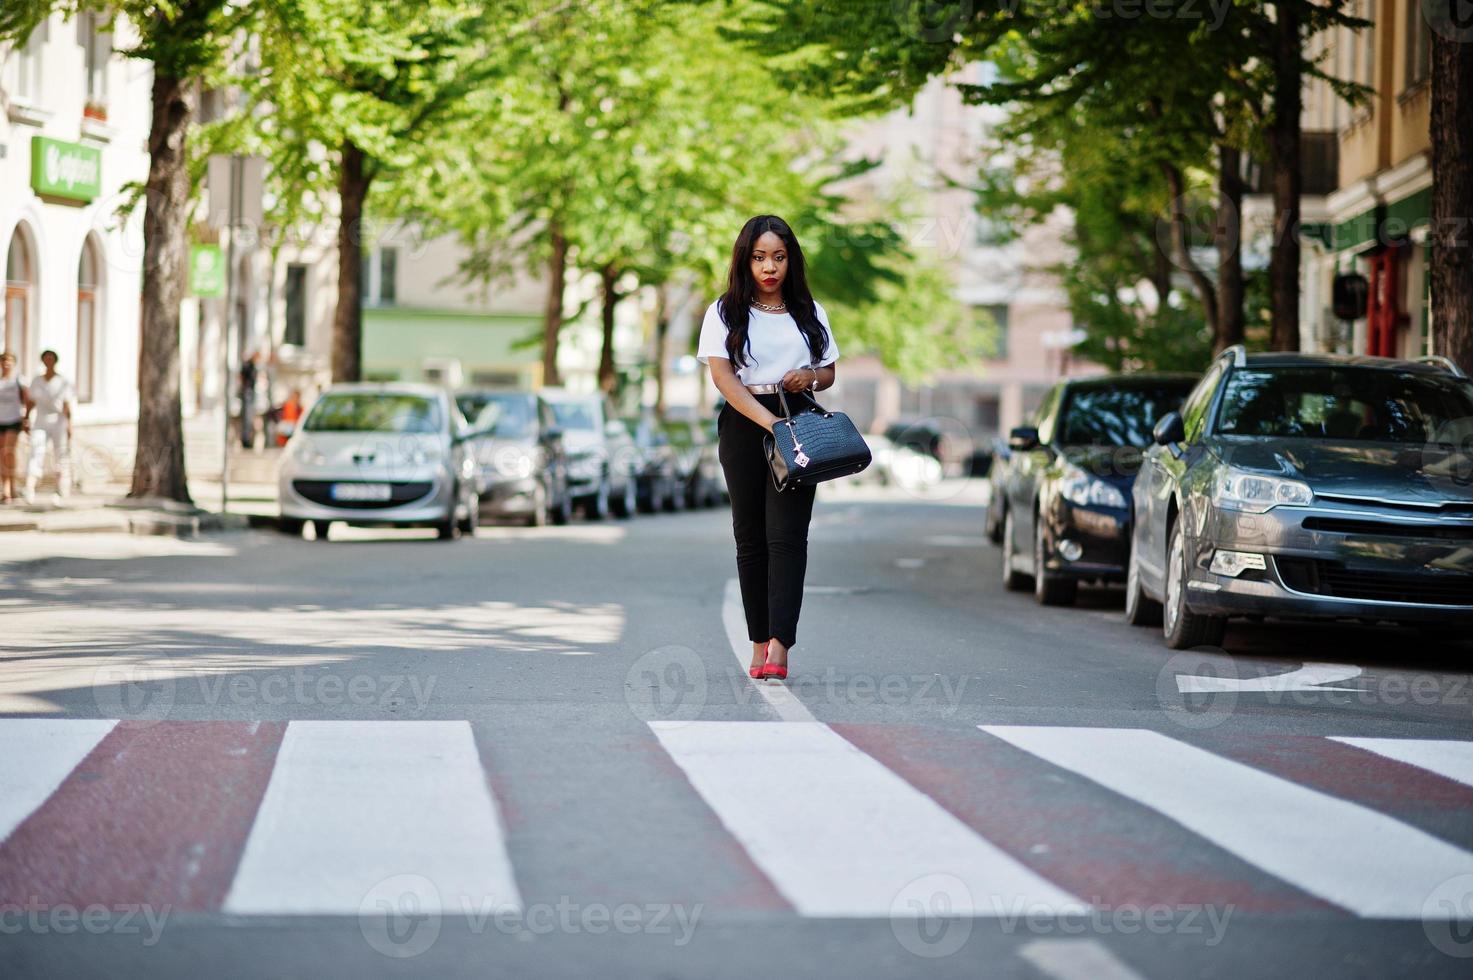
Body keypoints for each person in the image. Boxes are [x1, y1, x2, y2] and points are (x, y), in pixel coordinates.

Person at [696, 214, 839, 683]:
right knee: (750, 538)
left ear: (790, 261)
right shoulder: (724, 313)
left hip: (799, 421)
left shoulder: (810, 312)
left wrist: (810, 378)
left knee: (788, 537)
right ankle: (757, 639)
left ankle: (781, 644)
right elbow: (723, 379)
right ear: (745, 261)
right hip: (744, 423)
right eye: (759, 257)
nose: (769, 267)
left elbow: (829, 372)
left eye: (778, 257)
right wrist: (770, 424)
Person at [24, 349, 74, 504]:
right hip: (40, 420)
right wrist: (26, 418)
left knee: (60, 453)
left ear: (55, 361)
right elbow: (31, 402)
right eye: (46, 358)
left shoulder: (62, 381)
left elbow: (66, 405)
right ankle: (29, 487)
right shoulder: (37, 381)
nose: (48, 361)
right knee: (36, 449)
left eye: (51, 358)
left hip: (58, 421)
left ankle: (61, 489)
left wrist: (69, 425)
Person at [0, 351, 27, 503]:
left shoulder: (19, 380)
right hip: (0, 420)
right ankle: (5, 488)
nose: (6, 364)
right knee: (1, 454)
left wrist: (26, 417)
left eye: (9, 361)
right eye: (3, 361)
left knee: (8, 452)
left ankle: (12, 486)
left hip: (13, 419)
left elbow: (26, 398)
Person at [240, 352, 260, 449]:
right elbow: (242, 377)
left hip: (250, 392)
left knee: (249, 418)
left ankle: (248, 439)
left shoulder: (253, 366)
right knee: (247, 418)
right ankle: (246, 440)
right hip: (248, 392)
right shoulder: (248, 365)